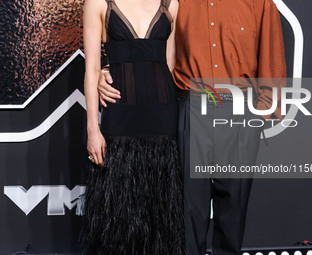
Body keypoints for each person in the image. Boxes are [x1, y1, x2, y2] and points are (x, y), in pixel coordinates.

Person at [97, 0, 287, 254]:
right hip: (191, 106)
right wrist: (111, 69)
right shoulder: (176, 2)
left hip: (240, 111)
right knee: (188, 212)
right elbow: (148, 43)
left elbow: (272, 59)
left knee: (233, 211)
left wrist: (259, 119)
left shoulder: (259, 3)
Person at [80, 0, 185, 254]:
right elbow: (92, 69)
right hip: (120, 116)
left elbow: (169, 63)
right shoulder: (97, 3)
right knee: (117, 217)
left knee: (160, 216)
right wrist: (93, 129)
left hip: (162, 118)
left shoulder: (171, 4)